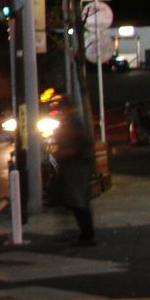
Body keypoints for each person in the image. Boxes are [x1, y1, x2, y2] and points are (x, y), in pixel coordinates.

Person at [52, 96, 95, 244]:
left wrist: (66, 153)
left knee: (78, 201)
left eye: (63, 108)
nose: (62, 111)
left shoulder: (74, 123)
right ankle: (85, 234)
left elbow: (81, 144)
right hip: (72, 167)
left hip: (76, 167)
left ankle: (87, 235)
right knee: (75, 201)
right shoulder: (69, 123)